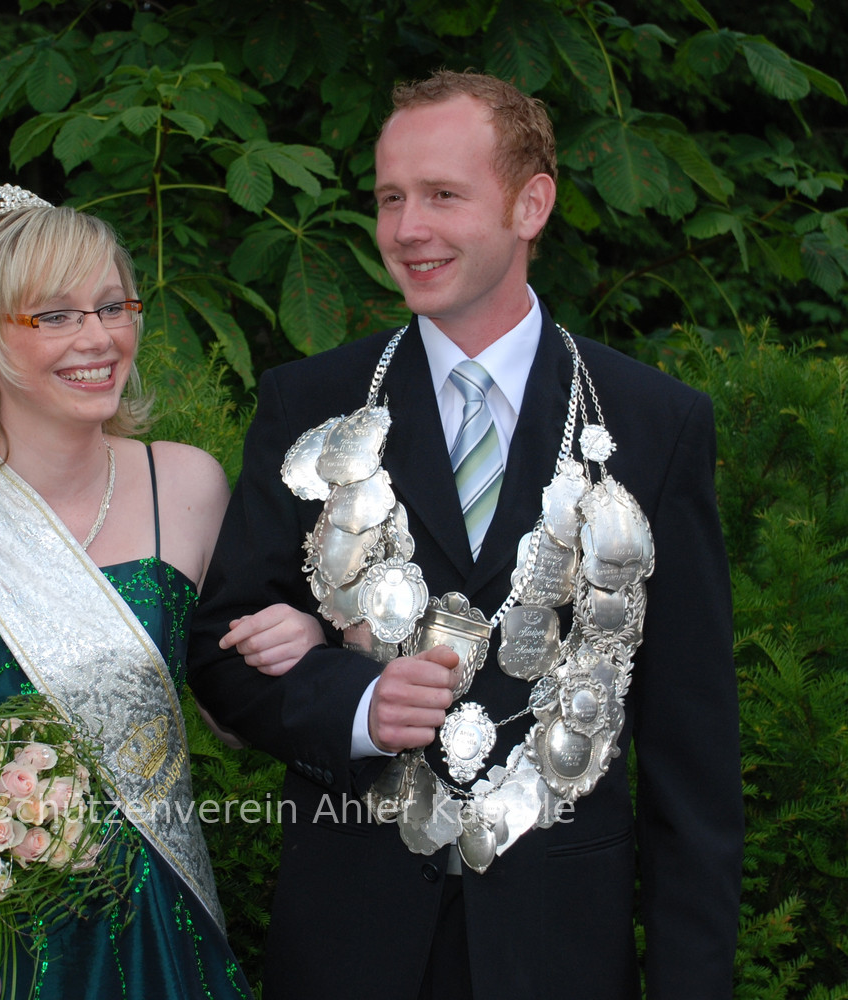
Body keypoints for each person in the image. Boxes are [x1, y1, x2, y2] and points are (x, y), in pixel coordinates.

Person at [188, 70, 744, 999]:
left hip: (558, 953)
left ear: (531, 205)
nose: (407, 228)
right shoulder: (309, 402)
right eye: (389, 198)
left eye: (442, 195)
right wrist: (353, 703)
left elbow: (692, 754)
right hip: (349, 946)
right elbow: (220, 652)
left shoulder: (654, 423)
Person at [0, 185, 267, 999]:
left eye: (112, 306)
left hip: (154, 926)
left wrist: (299, 649)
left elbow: (230, 711)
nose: (98, 337)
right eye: (55, 315)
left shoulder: (188, 487)